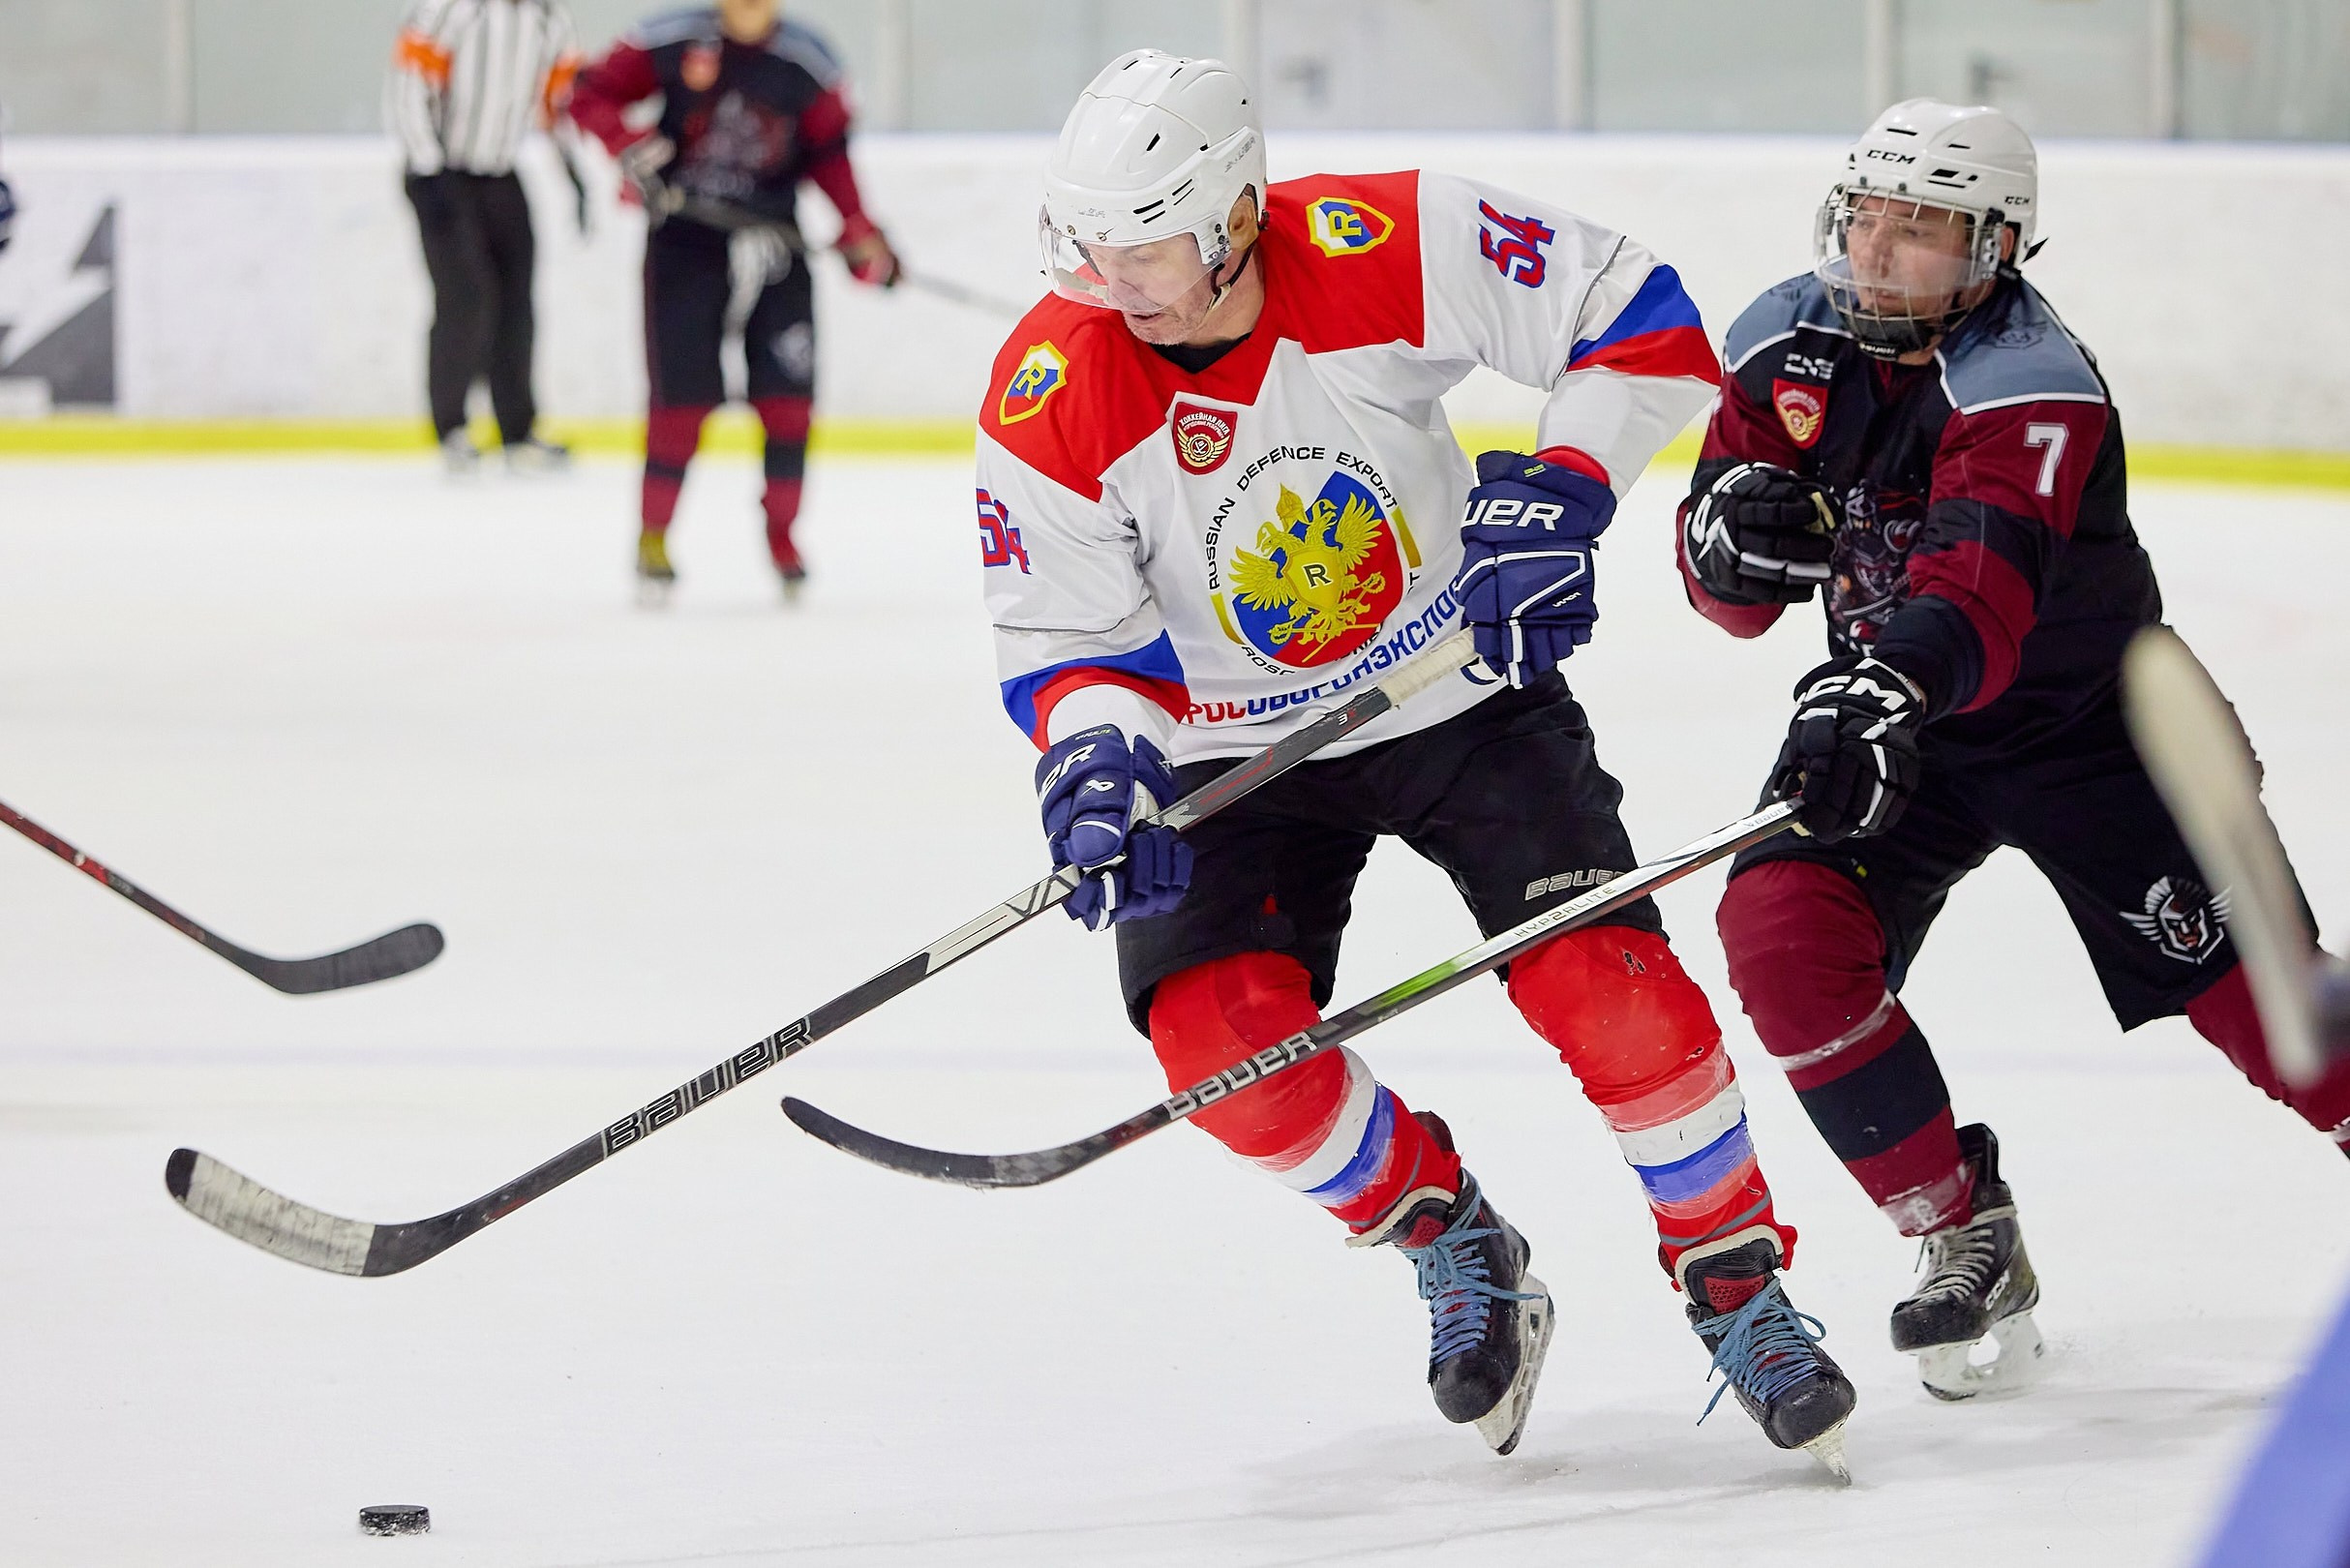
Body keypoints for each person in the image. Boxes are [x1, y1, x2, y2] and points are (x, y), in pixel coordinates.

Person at [977, 48, 1854, 1468]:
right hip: (1232, 754)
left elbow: (1634, 308)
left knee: (1618, 995)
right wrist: (1098, 765)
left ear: (1235, 212)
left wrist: (1562, 496)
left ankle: (1736, 1282)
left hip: (1456, 691)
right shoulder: (1049, 391)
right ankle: (1451, 1231)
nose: (1111, 276)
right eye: (1090, 243)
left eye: (1144, 243)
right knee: (1222, 1055)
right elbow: (1074, 641)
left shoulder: (1379, 242)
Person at [1679, 99, 2350, 1402]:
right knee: (1780, 937)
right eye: (1865, 216)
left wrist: (1875, 684)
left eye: (1919, 228)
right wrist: (1717, 548)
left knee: (2275, 1015)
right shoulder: (1781, 341)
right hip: (1904, 721)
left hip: (2098, 729)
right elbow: (1734, 595)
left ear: (1995, 247)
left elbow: (1977, 593)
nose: (1877, 251)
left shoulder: (2028, 380)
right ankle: (1959, 1225)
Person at [567, 0, 900, 599]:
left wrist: (859, 228)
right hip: (684, 248)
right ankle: (653, 537)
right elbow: (588, 92)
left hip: (776, 247)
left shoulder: (808, 60)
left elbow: (831, 154)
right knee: (680, 402)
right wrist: (625, 142)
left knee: (787, 401)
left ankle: (783, 538)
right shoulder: (668, 38)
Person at [386, 0, 580, 472]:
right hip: (442, 171)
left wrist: (573, 172)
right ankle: (451, 425)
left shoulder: (550, 18)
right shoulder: (450, 10)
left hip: (501, 173)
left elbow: (557, 101)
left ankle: (518, 430)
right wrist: (427, 165)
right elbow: (409, 84)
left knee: (517, 301)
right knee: (466, 297)